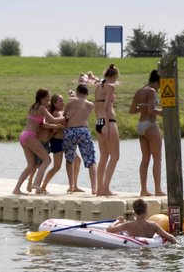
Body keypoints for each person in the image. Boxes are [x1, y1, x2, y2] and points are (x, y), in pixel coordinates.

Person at [129, 70, 166, 197]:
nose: (159, 88)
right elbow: (151, 111)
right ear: (158, 82)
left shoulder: (139, 91)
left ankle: (143, 189)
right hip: (150, 124)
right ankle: (158, 190)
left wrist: (142, 108)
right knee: (157, 158)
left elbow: (132, 110)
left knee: (145, 159)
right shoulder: (151, 91)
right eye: (160, 85)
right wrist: (161, 112)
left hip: (140, 126)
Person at [14, 90, 55, 195]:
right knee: (47, 159)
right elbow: (53, 119)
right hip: (30, 136)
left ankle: (16, 189)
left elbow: (42, 123)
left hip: (23, 136)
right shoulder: (41, 108)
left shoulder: (33, 107)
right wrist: (66, 118)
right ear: (43, 97)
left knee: (31, 165)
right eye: (48, 97)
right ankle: (36, 183)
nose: (49, 99)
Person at [62, 84, 98, 195]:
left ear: (77, 92)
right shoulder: (90, 104)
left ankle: (71, 186)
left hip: (70, 130)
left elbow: (64, 116)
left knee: (69, 159)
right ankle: (94, 188)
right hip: (83, 130)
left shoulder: (70, 101)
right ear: (87, 94)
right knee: (90, 159)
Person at [93, 64, 120, 196]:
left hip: (98, 121)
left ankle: (100, 188)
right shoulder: (110, 86)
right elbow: (106, 107)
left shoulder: (98, 87)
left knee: (104, 157)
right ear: (114, 76)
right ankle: (106, 188)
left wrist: (101, 123)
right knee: (115, 157)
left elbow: (97, 106)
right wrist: (107, 125)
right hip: (108, 121)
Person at [36, 94, 68, 193]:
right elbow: (55, 123)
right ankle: (42, 186)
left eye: (63, 100)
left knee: (77, 160)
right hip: (57, 141)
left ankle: (73, 185)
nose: (63, 102)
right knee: (57, 166)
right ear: (54, 103)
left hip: (65, 141)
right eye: (60, 101)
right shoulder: (56, 113)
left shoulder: (62, 111)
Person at [109, 198, 177, 244]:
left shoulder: (128, 225)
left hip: (133, 248)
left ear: (134, 212)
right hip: (149, 248)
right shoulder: (153, 225)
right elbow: (170, 237)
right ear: (146, 211)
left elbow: (109, 229)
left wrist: (117, 221)